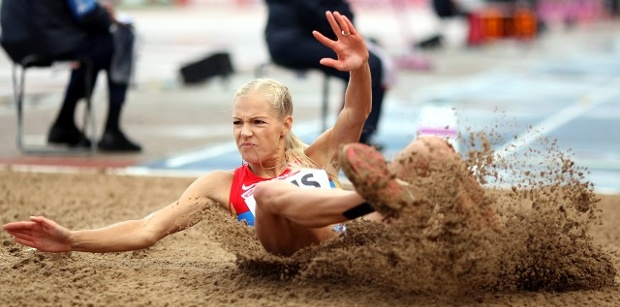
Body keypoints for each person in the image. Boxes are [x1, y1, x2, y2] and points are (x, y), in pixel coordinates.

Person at [3, 11, 495, 258]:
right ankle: (377, 197)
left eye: (257, 122)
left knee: (430, 147)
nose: (244, 133)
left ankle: (497, 241)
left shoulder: (315, 155)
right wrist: (72, 239)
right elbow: (147, 228)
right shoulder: (221, 185)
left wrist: (361, 68)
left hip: (354, 245)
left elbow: (355, 109)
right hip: (296, 254)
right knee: (272, 194)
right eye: (237, 123)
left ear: (285, 127)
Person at [0, 0, 141, 152]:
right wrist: (107, 14)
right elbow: (88, 14)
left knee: (91, 51)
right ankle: (112, 129)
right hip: (50, 40)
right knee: (120, 38)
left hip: (16, 44)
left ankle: (64, 122)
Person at [263, 0, 395, 148]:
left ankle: (352, 136)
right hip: (292, 42)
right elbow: (330, 18)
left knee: (370, 62)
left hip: (294, 38)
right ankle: (354, 139)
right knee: (371, 65)